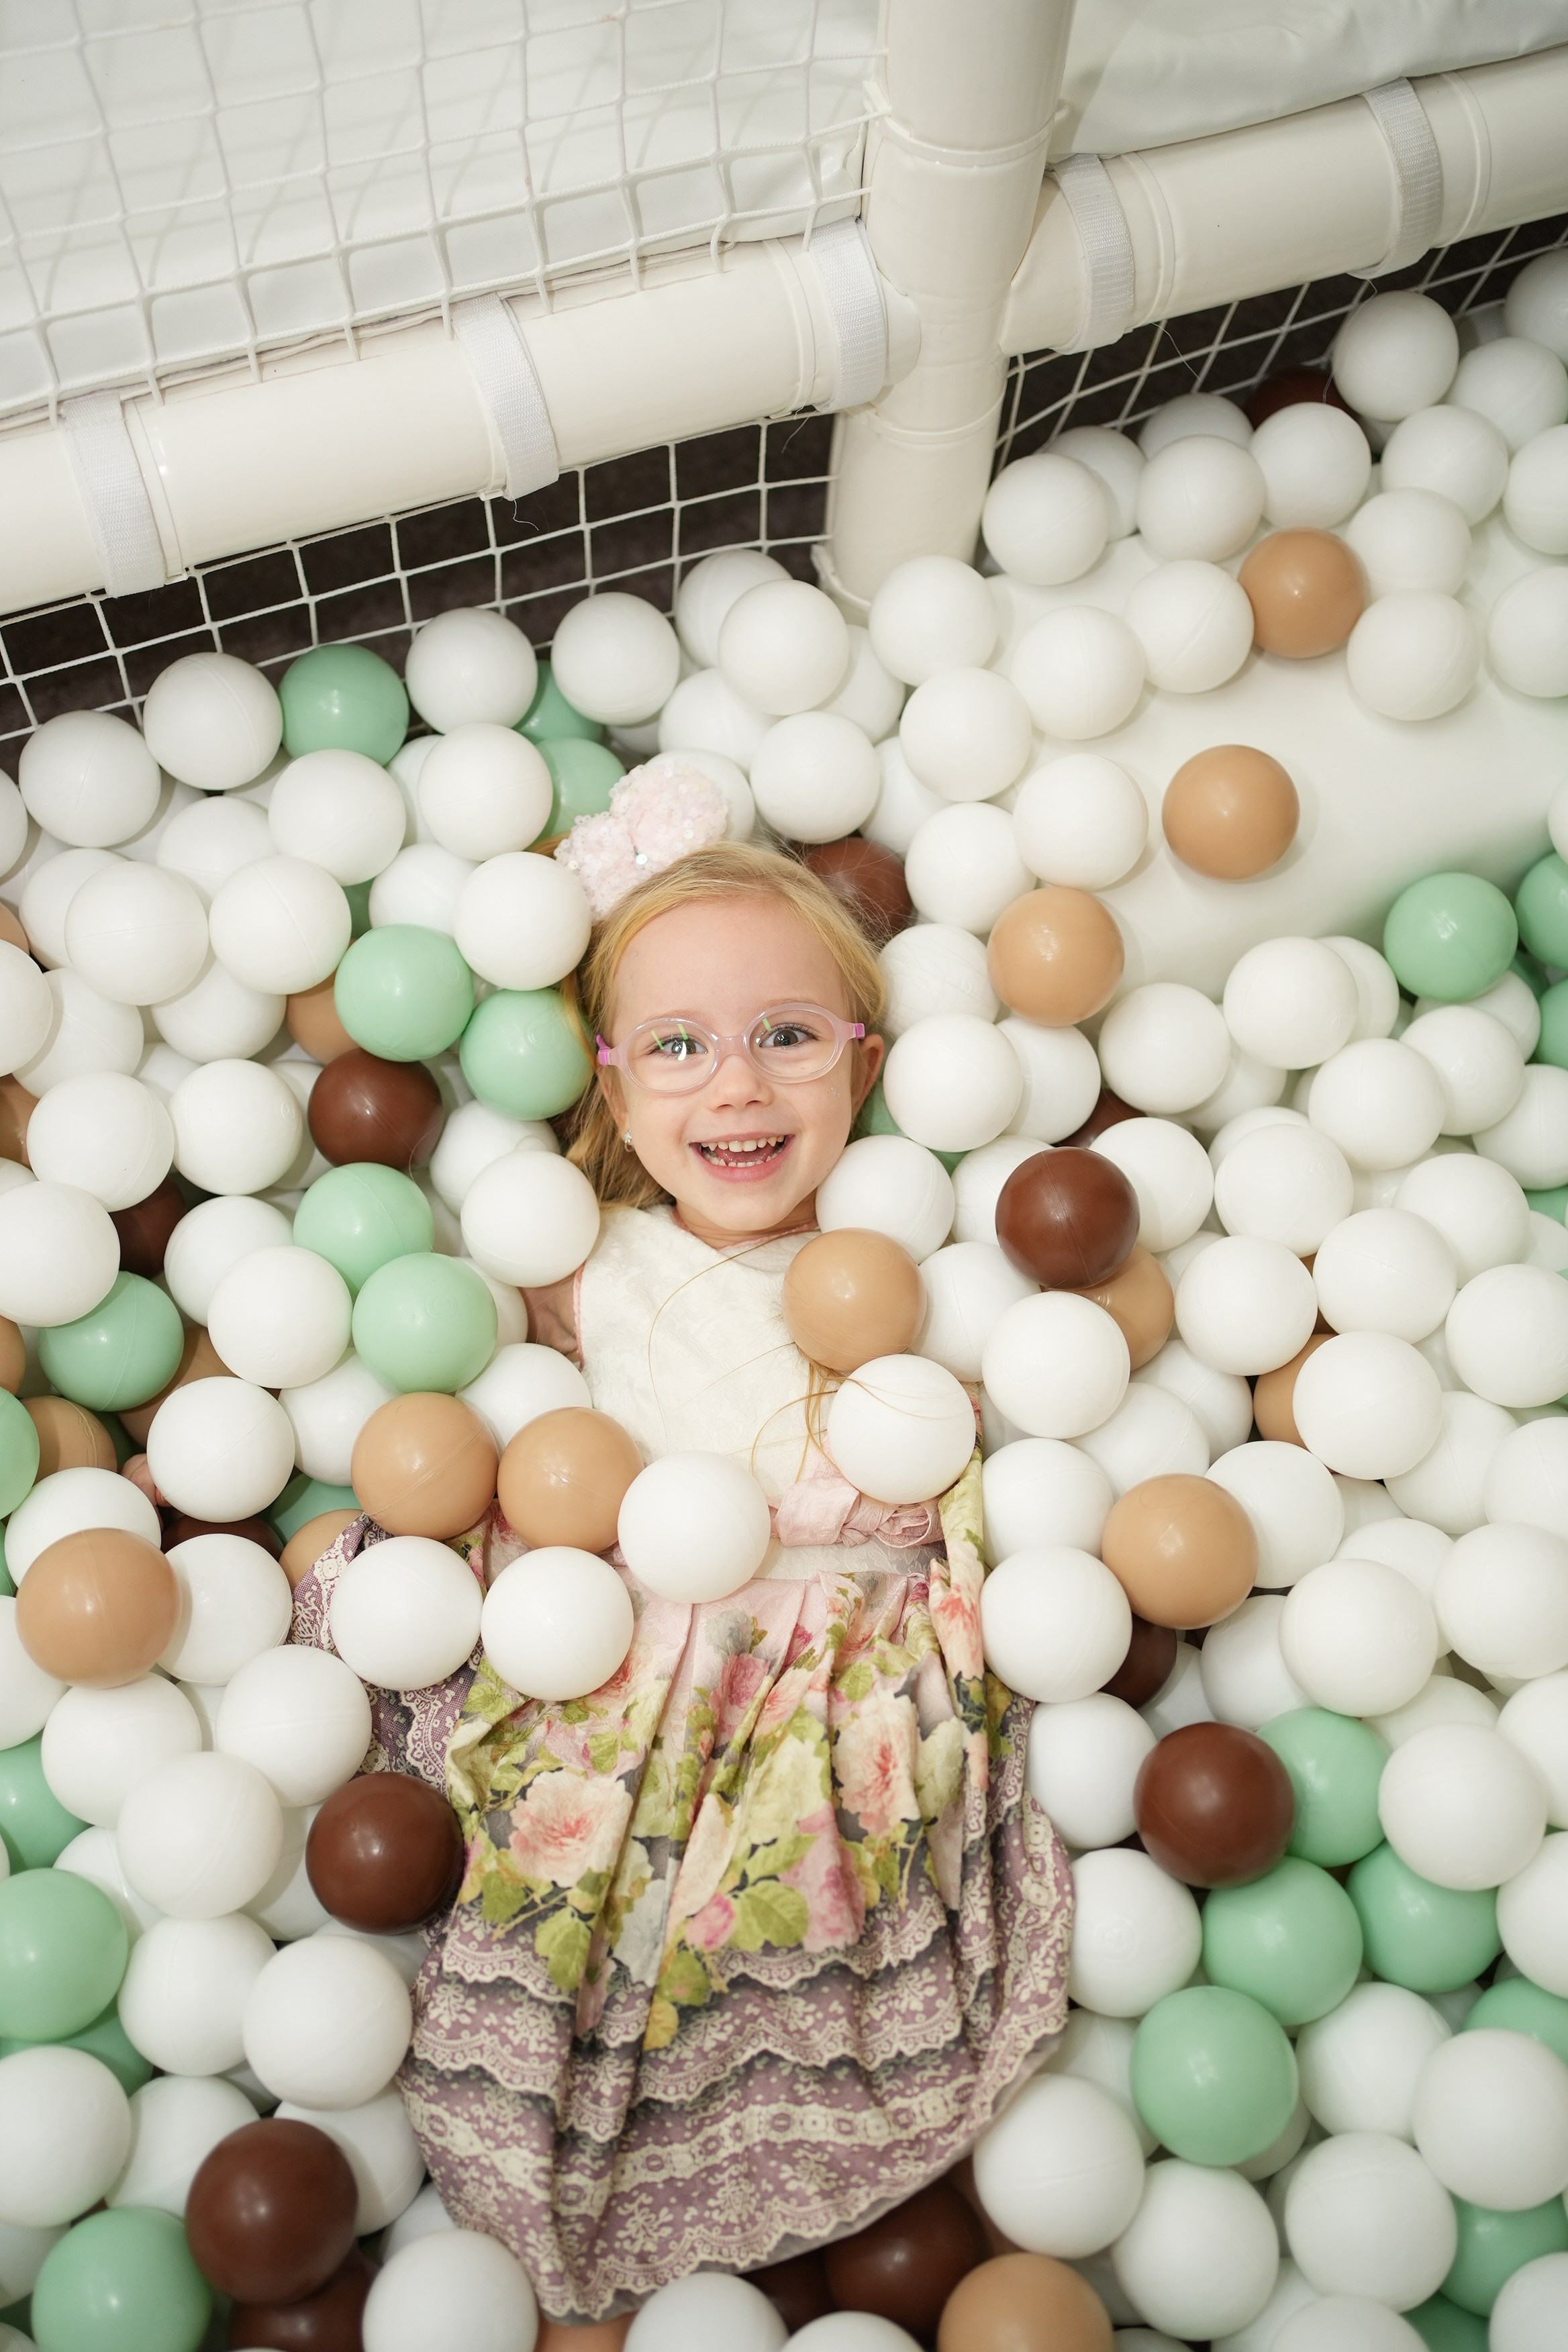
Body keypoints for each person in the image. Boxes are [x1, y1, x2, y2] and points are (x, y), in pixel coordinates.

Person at [291, 799, 1073, 2324]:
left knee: (810, 1897)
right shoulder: (581, 1254)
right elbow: (482, 1442)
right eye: (677, 1047)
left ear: (865, 1059)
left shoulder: (903, 1245)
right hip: (620, 1639)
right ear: (606, 1086)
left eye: (788, 1035)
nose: (735, 1082)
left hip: (823, 1657)